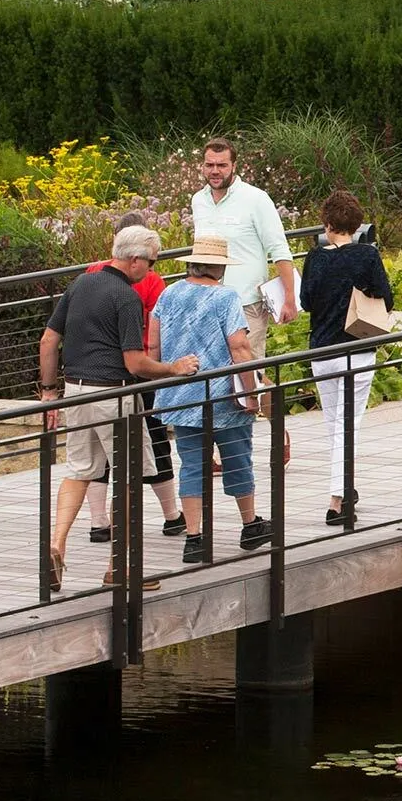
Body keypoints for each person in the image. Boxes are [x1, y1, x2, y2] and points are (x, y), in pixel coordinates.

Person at [39, 223, 189, 591]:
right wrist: (173, 368)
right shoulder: (126, 298)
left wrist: (47, 392)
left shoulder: (80, 283)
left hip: (76, 392)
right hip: (114, 395)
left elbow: (47, 340)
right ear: (135, 260)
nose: (152, 270)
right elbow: (135, 362)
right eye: (151, 263)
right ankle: (119, 569)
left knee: (79, 471)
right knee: (129, 478)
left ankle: (56, 545)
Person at [149, 237, 265, 562]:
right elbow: (240, 348)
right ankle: (250, 525)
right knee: (237, 456)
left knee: (191, 465)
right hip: (223, 397)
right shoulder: (224, 297)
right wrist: (251, 392)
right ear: (218, 267)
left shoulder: (168, 293)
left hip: (181, 396)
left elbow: (153, 348)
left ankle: (194, 538)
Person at [81, 211, 184, 546]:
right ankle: (171, 516)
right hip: (138, 368)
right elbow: (159, 328)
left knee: (97, 450)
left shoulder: (91, 274)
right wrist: (165, 368)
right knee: (154, 442)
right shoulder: (151, 282)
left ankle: (99, 522)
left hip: (93, 374)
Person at [296, 191, 392, 527]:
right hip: (356, 350)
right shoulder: (367, 255)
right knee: (348, 426)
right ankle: (337, 499)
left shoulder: (315, 257)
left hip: (322, 351)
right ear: (356, 224)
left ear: (327, 223)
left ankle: (345, 489)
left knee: (333, 425)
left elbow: (306, 301)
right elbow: (386, 297)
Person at [186, 138, 298, 406]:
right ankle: (228, 438)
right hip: (207, 303)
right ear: (202, 166)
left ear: (234, 166)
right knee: (213, 376)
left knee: (252, 377)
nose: (215, 171)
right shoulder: (198, 200)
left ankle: (277, 434)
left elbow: (279, 249)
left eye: (222, 165)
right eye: (210, 165)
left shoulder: (256, 199)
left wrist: (291, 298)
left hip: (246, 304)